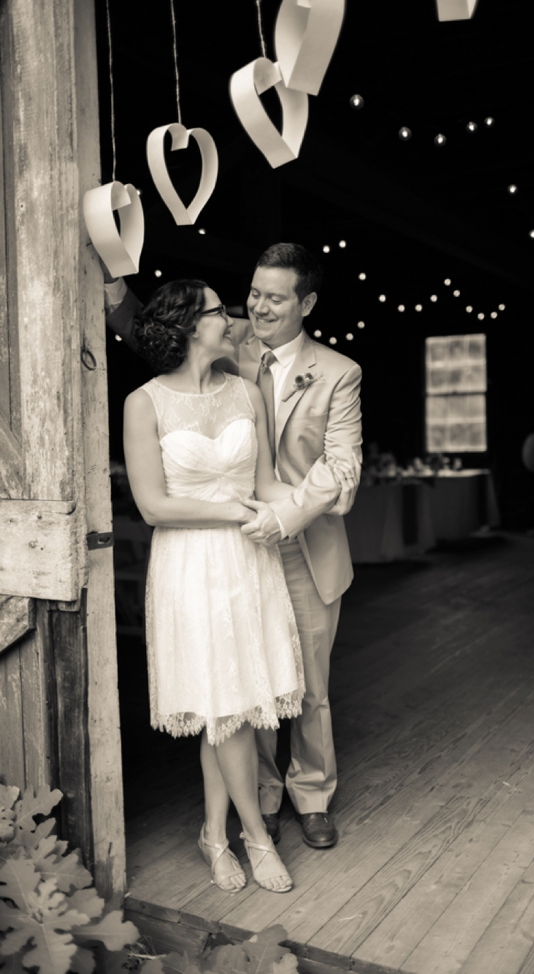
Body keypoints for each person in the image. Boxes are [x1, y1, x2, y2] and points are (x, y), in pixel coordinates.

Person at [106, 242, 363, 850]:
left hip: (298, 538)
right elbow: (159, 328)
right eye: (253, 294)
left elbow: (341, 466)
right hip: (225, 546)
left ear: (307, 303)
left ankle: (313, 793)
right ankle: (263, 799)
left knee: (308, 681)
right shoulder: (228, 338)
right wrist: (113, 280)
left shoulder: (339, 371)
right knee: (252, 680)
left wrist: (281, 517)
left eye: (275, 298)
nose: (258, 307)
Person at [123, 278, 305, 894]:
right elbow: (152, 507)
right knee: (225, 709)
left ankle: (212, 835)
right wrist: (233, 512)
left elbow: (265, 485)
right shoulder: (144, 403)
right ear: (189, 326)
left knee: (228, 707)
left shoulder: (247, 392)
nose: (232, 318)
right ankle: (254, 838)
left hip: (249, 565)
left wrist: (310, 501)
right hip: (191, 566)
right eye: (218, 311)